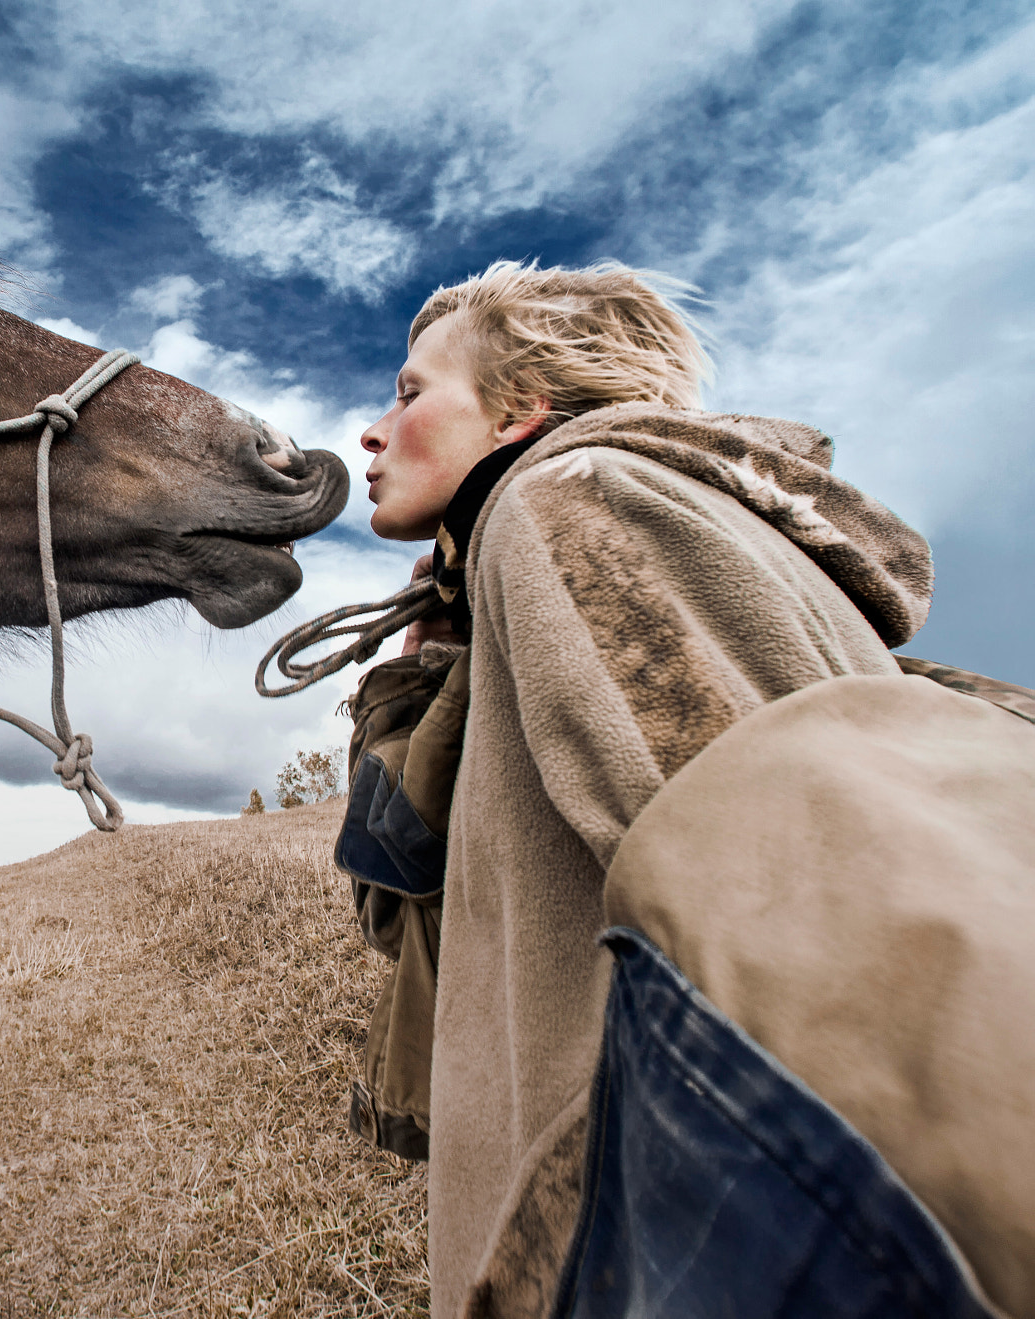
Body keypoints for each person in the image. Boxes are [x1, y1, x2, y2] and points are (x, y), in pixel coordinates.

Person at [339, 261, 1030, 1317]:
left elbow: (812, 941)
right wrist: (432, 646)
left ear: (523, 408)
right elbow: (405, 906)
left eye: (406, 392)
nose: (371, 432)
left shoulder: (575, 500)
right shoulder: (527, 556)